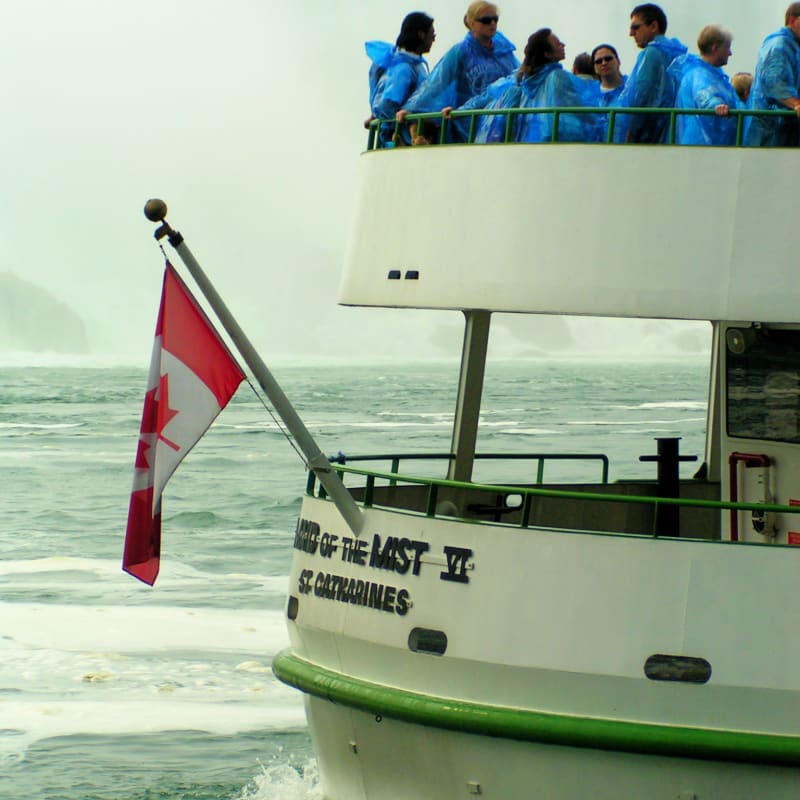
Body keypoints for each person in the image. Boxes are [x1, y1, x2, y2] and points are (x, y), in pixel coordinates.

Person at [396, 2, 519, 141]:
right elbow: (436, 83)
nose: (492, 24)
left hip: (503, 119)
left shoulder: (504, 51)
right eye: (486, 20)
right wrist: (411, 109)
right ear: (472, 23)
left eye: (495, 19)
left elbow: (518, 77)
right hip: (471, 124)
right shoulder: (461, 51)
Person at [614, 4, 687, 143]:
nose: (631, 33)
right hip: (674, 134)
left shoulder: (651, 54)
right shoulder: (678, 56)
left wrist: (632, 130)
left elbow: (642, 94)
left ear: (653, 26)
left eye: (635, 27)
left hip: (650, 136)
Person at [512, 28, 601, 143]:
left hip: (530, 142)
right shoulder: (557, 77)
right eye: (558, 44)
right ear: (548, 54)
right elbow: (578, 107)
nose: (563, 45)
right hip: (556, 143)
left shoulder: (527, 82)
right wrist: (601, 121)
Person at [365, 13, 436, 147]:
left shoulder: (404, 62)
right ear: (421, 34)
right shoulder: (403, 69)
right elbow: (388, 105)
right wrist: (406, 125)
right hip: (400, 138)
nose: (434, 39)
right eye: (432, 33)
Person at [669, 25, 738, 146]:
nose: (730, 53)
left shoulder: (714, 74)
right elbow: (704, 95)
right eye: (727, 47)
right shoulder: (699, 74)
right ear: (715, 48)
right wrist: (716, 106)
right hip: (699, 145)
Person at [745, 3, 800, 147]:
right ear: (793, 20)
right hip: (770, 127)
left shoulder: (794, 47)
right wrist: (796, 104)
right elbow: (774, 82)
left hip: (785, 127)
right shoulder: (779, 45)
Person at [592, 43, 626, 139]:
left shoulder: (631, 90)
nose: (604, 63)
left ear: (618, 61)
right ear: (594, 68)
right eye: (598, 61)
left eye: (608, 59)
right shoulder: (589, 94)